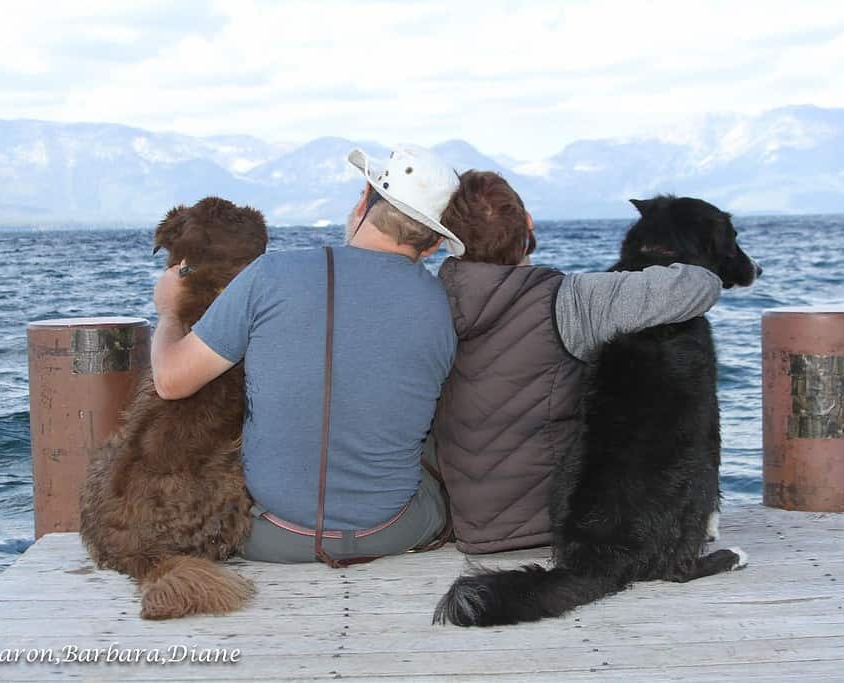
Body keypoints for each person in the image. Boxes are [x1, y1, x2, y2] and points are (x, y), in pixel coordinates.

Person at [151, 145, 466, 563]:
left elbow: (171, 381)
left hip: (271, 535)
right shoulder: (441, 303)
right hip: (391, 530)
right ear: (433, 246)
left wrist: (171, 313)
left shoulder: (269, 274)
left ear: (362, 204)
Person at [432, 170, 724, 554]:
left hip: (462, 517)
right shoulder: (569, 299)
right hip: (554, 518)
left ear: (450, 240)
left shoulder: (429, 299)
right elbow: (698, 286)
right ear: (529, 224)